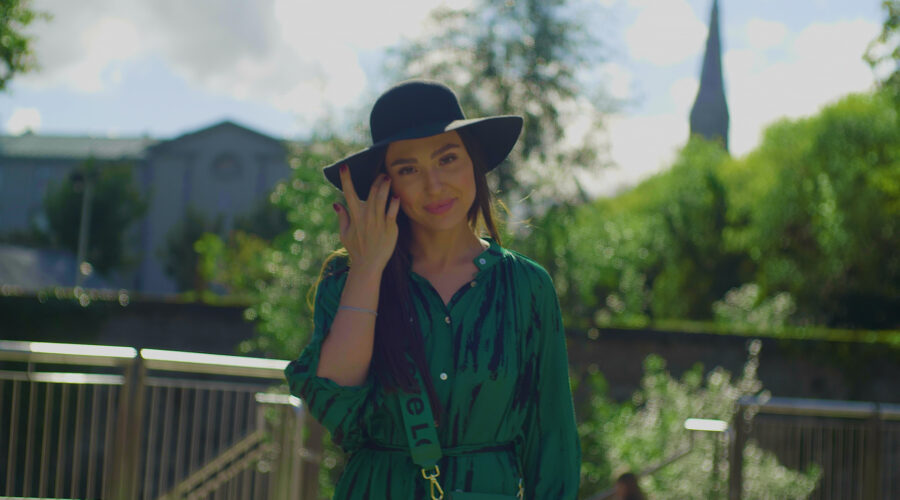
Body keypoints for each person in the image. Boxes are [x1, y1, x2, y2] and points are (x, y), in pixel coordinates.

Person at [285, 80, 581, 499]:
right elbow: (336, 405)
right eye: (409, 169)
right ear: (385, 184)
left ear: (473, 163)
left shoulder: (526, 287)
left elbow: (552, 438)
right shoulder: (348, 282)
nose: (435, 184)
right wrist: (369, 268)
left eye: (448, 159)